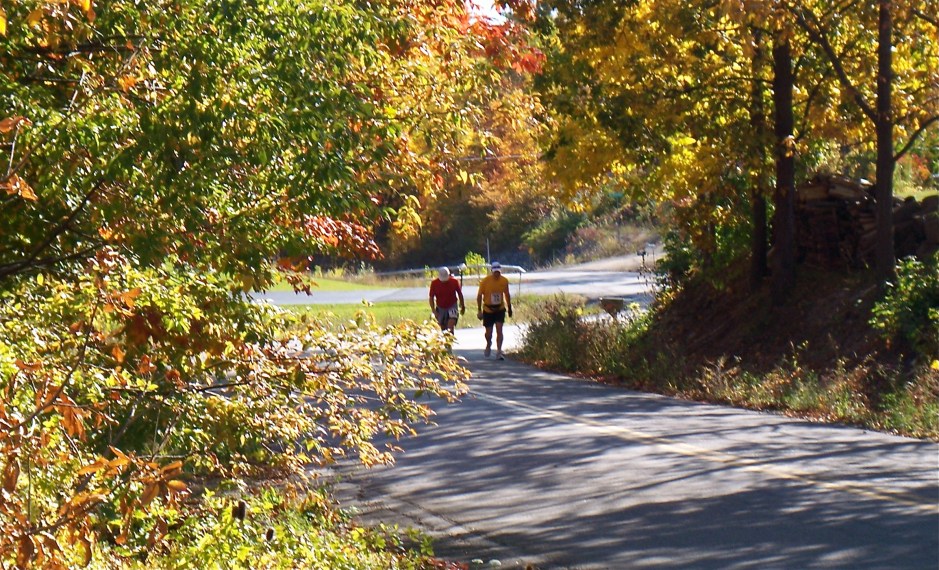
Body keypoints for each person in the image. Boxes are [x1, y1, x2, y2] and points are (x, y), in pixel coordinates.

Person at [476, 261, 512, 360]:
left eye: (498, 272)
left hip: (500, 308)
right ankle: (488, 343)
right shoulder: (485, 281)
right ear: (492, 271)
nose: (497, 273)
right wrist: (479, 310)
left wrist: (509, 307)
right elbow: (479, 296)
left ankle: (499, 351)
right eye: (495, 272)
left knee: (499, 330)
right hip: (488, 309)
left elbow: (507, 294)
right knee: (489, 333)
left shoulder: (504, 281)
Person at [429, 266, 465, 334]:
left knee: (450, 329)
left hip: (452, 306)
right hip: (440, 308)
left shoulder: (454, 282)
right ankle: (447, 343)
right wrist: (434, 310)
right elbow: (431, 297)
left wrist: (462, 306)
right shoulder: (434, 283)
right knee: (443, 330)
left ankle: (451, 335)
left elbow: (460, 294)